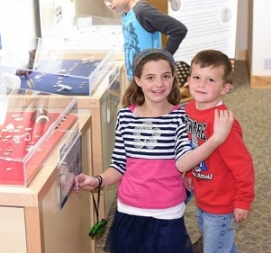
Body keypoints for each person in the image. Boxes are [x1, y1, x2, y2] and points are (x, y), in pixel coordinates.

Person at [74, 48, 234, 253]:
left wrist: (214, 142)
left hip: (167, 213)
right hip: (128, 210)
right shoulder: (124, 116)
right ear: (138, 80)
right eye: (150, 77)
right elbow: (119, 165)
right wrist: (97, 180)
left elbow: (188, 158)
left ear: (173, 78)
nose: (159, 84)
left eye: (165, 76)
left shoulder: (182, 117)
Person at [184, 50, 255, 253]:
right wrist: (189, 172)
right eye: (197, 77)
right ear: (188, 80)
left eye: (210, 80)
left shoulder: (224, 124)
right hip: (204, 195)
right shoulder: (190, 109)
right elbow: (192, 146)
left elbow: (243, 165)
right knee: (221, 245)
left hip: (222, 205)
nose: (201, 84)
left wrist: (243, 200)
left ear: (225, 88)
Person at [93, 0, 187, 82]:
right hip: (136, 81)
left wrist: (163, 59)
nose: (107, 3)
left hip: (150, 83)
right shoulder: (125, 12)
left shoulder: (142, 11)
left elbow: (179, 29)